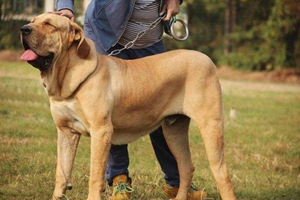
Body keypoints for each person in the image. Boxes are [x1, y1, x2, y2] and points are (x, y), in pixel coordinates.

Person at [56, 0, 207, 199]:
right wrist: (65, 7)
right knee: (106, 113)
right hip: (106, 36)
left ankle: (177, 183)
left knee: (164, 108)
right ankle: (119, 179)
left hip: (148, 40)